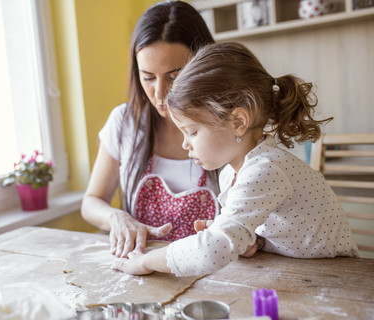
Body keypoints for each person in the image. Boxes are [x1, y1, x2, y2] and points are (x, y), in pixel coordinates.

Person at [111, 42, 360, 277]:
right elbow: (289, 232)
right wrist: (256, 241)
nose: (186, 144)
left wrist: (145, 261)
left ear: (238, 122)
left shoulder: (265, 169)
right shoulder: (231, 172)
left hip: (337, 276)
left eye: (193, 132)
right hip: (297, 272)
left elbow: (213, 250)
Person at [81, 1, 221, 259]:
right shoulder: (124, 123)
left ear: (203, 64)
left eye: (173, 76)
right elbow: (91, 203)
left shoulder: (227, 124)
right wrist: (117, 218)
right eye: (147, 77)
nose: (159, 93)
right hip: (142, 270)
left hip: (212, 273)